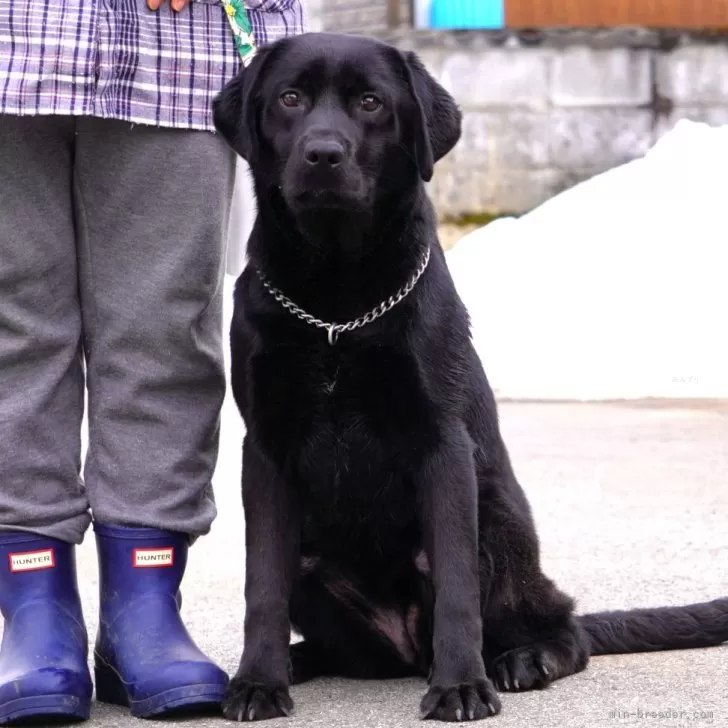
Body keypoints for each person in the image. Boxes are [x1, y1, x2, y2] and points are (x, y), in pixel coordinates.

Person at [0, 0, 305, 723]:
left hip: (175, 47)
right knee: (11, 326)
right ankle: (34, 610)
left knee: (164, 327)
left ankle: (145, 608)